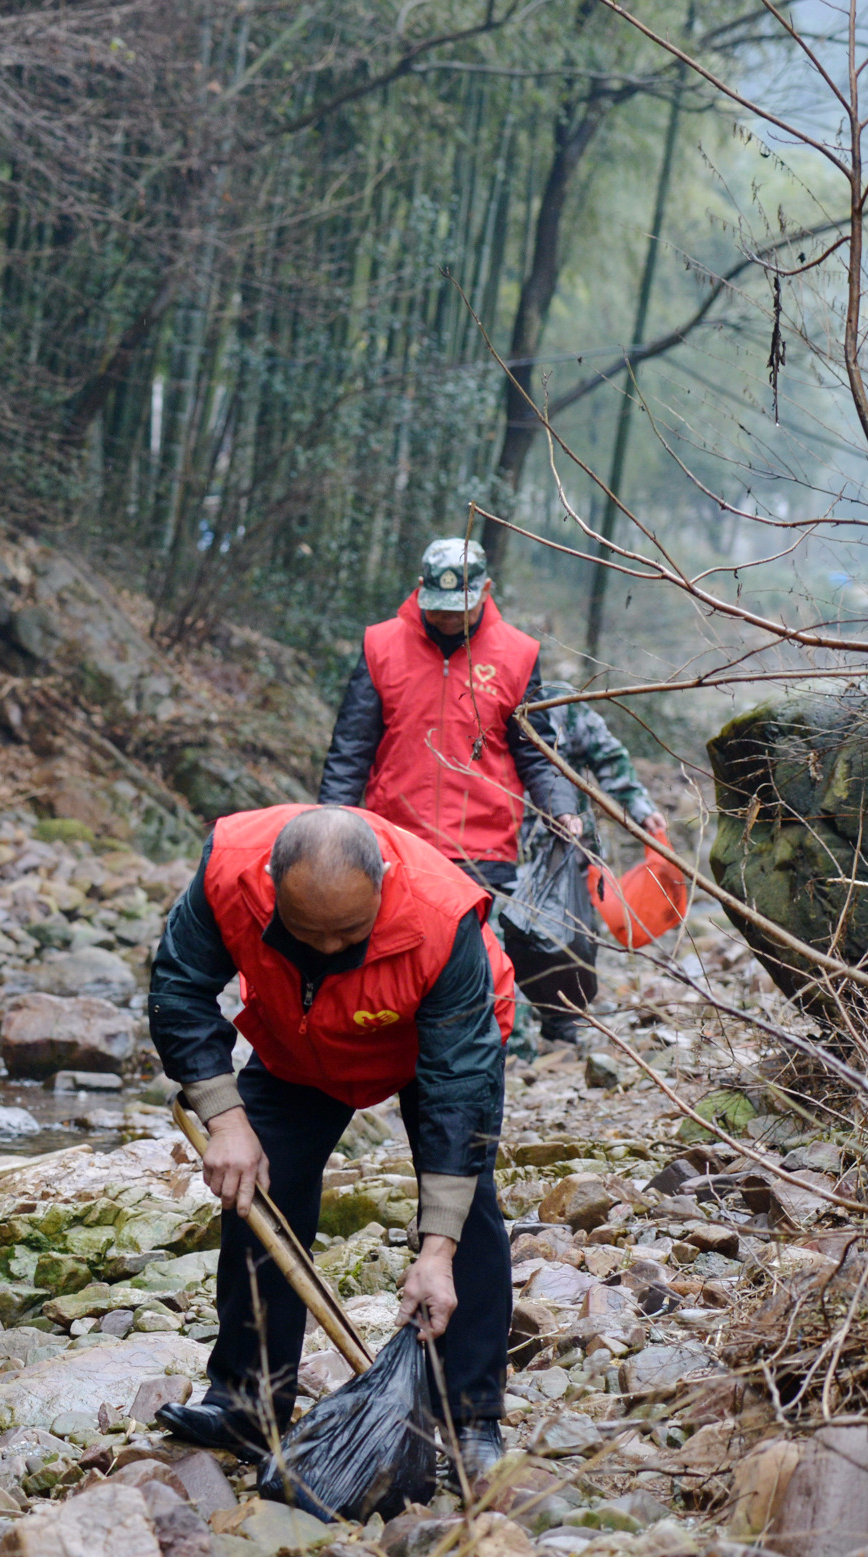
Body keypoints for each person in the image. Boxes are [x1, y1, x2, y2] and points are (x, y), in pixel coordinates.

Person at [145, 803, 518, 1487]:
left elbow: (457, 1094)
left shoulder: (441, 917)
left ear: (382, 886)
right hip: (299, 1036)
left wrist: (435, 1252)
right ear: (270, 884)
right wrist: (225, 1118)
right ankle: (247, 1404)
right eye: (304, 930)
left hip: (427, 1043)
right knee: (259, 1188)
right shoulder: (230, 869)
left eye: (346, 932)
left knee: (468, 1211)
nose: (324, 948)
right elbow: (179, 987)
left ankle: (469, 1416)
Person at [320, 535, 582, 897]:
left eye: (459, 609)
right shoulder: (381, 646)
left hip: (483, 853)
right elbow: (352, 748)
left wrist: (562, 809)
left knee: (471, 953)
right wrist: (329, 822)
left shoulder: (517, 654)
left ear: (486, 590)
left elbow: (535, 751)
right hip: (394, 843)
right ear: (421, 588)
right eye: (439, 607)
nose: (447, 618)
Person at [495, 680, 670, 1044]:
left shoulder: (559, 702)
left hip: (568, 845)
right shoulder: (477, 699)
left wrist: (639, 807)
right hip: (499, 843)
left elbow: (605, 754)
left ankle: (564, 1022)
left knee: (573, 933)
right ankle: (512, 1033)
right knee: (506, 932)